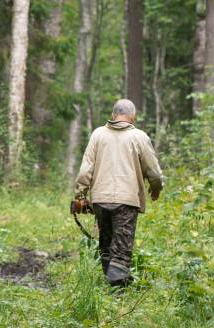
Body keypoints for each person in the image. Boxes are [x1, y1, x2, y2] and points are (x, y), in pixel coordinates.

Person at [75, 99, 163, 287]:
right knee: (122, 247)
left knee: (106, 241)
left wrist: (80, 195)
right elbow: (154, 172)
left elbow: (85, 170)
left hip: (100, 199)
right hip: (126, 201)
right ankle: (117, 291)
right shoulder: (139, 137)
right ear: (133, 117)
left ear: (113, 114)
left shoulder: (98, 134)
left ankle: (113, 283)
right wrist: (156, 188)